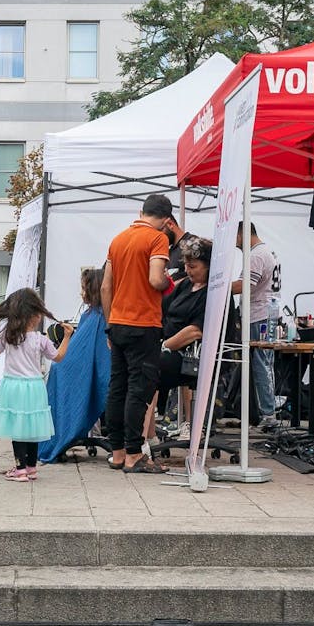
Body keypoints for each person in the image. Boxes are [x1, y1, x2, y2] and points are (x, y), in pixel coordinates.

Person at [100, 194, 173, 473]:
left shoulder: (117, 240)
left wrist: (110, 323)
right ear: (166, 221)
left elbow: (106, 288)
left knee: (117, 388)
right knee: (138, 389)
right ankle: (134, 454)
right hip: (143, 325)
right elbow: (156, 279)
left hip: (117, 323)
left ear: (140, 211)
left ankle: (117, 453)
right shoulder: (157, 239)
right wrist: (170, 281)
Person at [0, 288, 73, 481]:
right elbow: (58, 357)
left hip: (13, 386)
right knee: (32, 427)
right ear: (35, 316)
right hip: (35, 387)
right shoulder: (40, 340)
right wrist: (67, 337)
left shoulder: (8, 336)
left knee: (17, 427)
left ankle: (20, 470)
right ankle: (31, 468)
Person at [150, 236, 212, 446]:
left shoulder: (212, 293)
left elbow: (195, 331)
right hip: (171, 349)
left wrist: (164, 346)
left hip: (192, 356)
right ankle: (146, 434)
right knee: (140, 360)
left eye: (193, 266)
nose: (188, 270)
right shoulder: (185, 285)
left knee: (148, 368)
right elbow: (162, 306)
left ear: (208, 265)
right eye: (186, 265)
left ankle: (143, 436)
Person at [232, 221, 283, 431]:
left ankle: (268, 414)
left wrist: (214, 288)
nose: (234, 243)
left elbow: (244, 285)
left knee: (261, 364)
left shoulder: (255, 256)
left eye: (235, 238)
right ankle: (264, 412)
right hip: (268, 313)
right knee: (264, 363)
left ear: (243, 234)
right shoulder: (267, 251)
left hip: (258, 315)